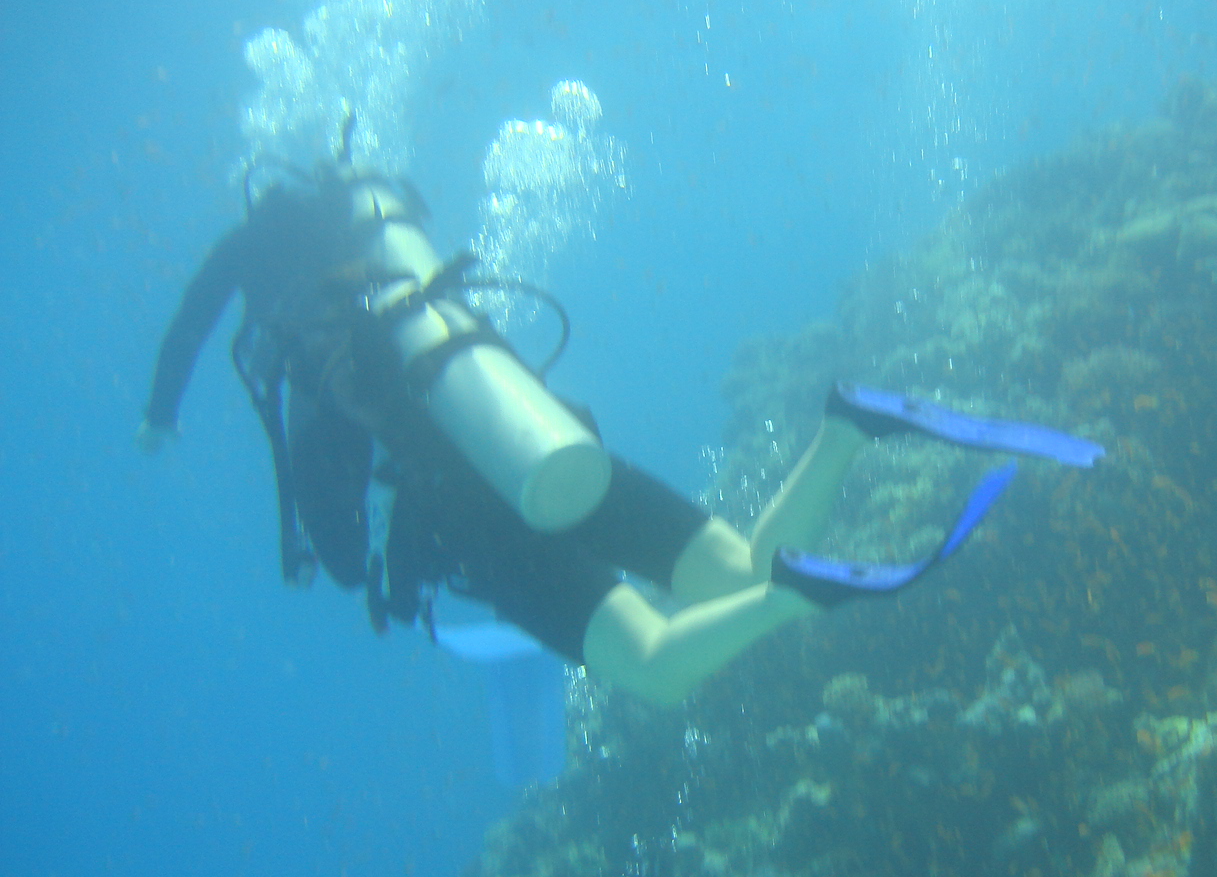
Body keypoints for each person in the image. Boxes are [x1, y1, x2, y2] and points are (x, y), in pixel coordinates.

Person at [139, 131, 1101, 705]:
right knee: (741, 568)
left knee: (656, 668)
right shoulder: (397, 272)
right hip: (550, 434)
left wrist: (163, 417)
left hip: (473, 510)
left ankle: (799, 595)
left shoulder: (307, 339)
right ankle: (846, 428)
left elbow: (337, 537)